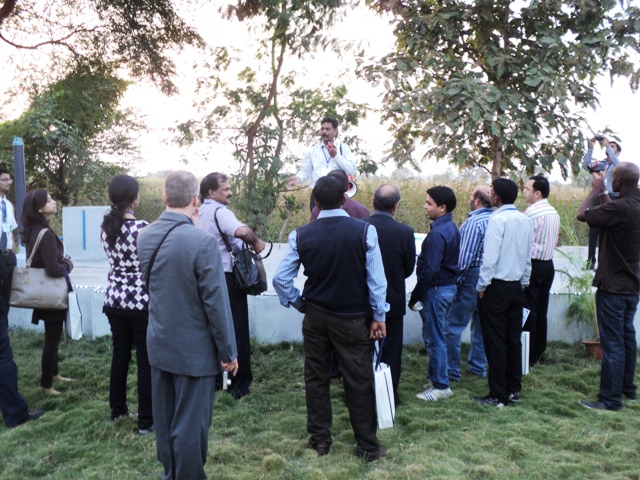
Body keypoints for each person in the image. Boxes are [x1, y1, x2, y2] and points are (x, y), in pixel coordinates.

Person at [272, 175, 389, 461]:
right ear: (344, 199)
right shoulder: (364, 231)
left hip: (316, 317)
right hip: (351, 318)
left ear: (316, 201)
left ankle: (320, 441)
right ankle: (367, 446)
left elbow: (280, 278)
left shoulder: (300, 234)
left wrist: (299, 303)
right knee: (358, 380)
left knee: (316, 377)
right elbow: (376, 281)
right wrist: (379, 315)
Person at [137, 171, 238, 479]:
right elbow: (216, 305)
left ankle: (171, 474)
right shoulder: (202, 242)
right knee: (191, 429)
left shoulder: (145, 235)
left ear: (165, 198)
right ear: (196, 200)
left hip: (159, 343)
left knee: (166, 425)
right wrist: (229, 352)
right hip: (195, 352)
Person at [577, 163, 640, 411]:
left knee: (612, 344)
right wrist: (605, 189)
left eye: (613, 178)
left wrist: (596, 188)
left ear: (618, 183)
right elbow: (610, 211)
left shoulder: (619, 207)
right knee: (627, 338)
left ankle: (610, 400)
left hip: (613, 286)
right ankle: (628, 390)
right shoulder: (633, 204)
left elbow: (584, 215)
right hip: (632, 284)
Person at [197, 172, 265, 399]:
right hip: (228, 278)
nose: (230, 192)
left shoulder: (199, 212)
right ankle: (239, 383)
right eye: (225, 189)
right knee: (236, 329)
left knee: (212, 328)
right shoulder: (220, 212)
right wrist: (256, 242)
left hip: (206, 277)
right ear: (211, 192)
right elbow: (243, 231)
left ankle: (216, 378)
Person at [100, 175, 152, 434]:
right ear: (134, 198)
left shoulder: (107, 227)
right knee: (145, 359)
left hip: (113, 299)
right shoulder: (143, 228)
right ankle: (146, 422)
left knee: (120, 355)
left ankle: (117, 410)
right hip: (141, 301)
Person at [474, 179, 534, 408]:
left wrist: (481, 287)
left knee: (495, 341)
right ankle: (513, 389)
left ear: (496, 197)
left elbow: (489, 259)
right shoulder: (525, 220)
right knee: (512, 339)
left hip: (496, 286)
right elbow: (527, 256)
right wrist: (524, 282)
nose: (490, 194)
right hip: (517, 286)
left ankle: (497, 394)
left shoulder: (496, 219)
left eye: (491, 192)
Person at [364, 184, 415, 406]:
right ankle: (389, 394)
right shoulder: (405, 232)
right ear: (396, 206)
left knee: (361, 349)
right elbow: (409, 268)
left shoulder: (360, 227)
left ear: (373, 202)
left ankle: (361, 395)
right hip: (392, 298)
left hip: (362, 299)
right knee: (392, 349)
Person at [1, 171, 44, 427]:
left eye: (9, 178)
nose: (8, 182)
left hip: (6, 257)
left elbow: (12, 230)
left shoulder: (7, 205)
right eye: (4, 179)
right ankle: (14, 413)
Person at [21, 190, 75, 396]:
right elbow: (53, 269)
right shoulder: (46, 235)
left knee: (51, 336)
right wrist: (68, 264)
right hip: (52, 293)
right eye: (49, 200)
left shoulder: (33, 230)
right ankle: (46, 385)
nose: (54, 202)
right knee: (52, 340)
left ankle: (54, 374)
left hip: (42, 292)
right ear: (39, 208)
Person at [409, 186, 460, 402]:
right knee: (436, 336)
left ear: (442, 207)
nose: (425, 206)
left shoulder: (439, 233)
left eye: (429, 203)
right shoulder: (450, 228)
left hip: (437, 291)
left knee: (435, 338)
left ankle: (441, 386)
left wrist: (415, 296)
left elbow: (430, 270)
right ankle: (436, 378)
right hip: (445, 289)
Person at [445, 185, 492, 382]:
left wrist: (455, 282)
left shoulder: (475, 222)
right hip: (490, 276)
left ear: (477, 200)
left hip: (472, 276)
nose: (469, 198)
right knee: (481, 326)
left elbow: (464, 258)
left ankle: (451, 370)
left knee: (453, 325)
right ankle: (479, 367)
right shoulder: (495, 219)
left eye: (471, 195)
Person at [522, 175, 560, 367]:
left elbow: (523, 242)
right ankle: (539, 351)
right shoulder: (553, 212)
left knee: (528, 310)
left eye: (527, 189)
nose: (524, 192)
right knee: (541, 309)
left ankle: (527, 355)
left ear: (537, 193)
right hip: (548, 264)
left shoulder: (532, 213)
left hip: (534, 264)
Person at [288, 116, 357, 211]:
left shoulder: (344, 148)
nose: (324, 132)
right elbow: (305, 171)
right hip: (318, 194)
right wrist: (298, 178)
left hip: (338, 194)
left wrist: (336, 156)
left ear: (335, 131)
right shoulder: (312, 151)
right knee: (317, 223)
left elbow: (351, 170)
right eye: (322, 129)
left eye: (328, 129)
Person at [581, 137, 621, 269]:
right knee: (594, 230)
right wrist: (591, 147)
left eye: (613, 147)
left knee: (609, 232)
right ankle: (590, 262)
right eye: (608, 146)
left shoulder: (619, 166)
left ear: (618, 152)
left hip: (613, 197)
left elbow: (617, 164)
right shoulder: (601, 164)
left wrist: (607, 145)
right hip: (599, 197)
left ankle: (607, 263)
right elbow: (586, 165)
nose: (608, 148)